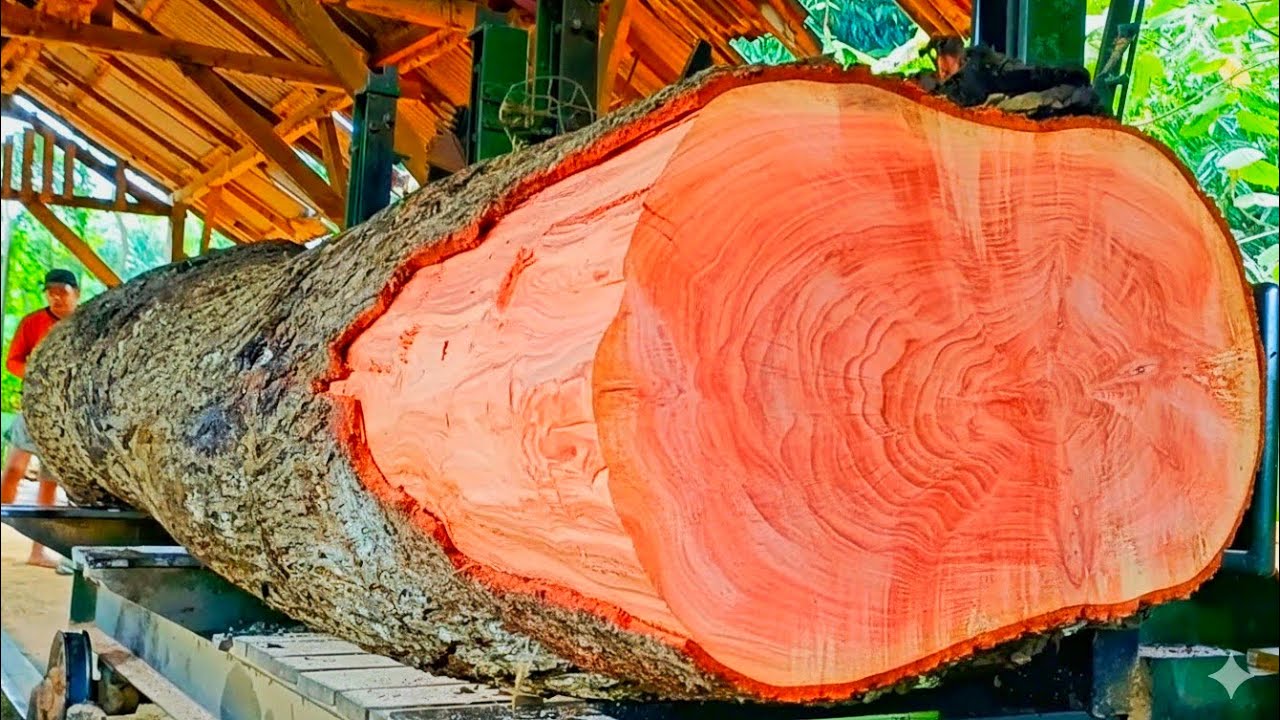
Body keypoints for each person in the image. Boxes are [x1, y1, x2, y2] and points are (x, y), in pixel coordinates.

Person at [2, 268, 80, 567]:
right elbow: (12, 361)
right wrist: (37, 373)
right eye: (51, 292)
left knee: (50, 480)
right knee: (13, 470)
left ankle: (39, 550)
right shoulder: (32, 322)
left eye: (62, 291)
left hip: (66, 412)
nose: (56, 297)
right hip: (35, 406)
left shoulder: (85, 323)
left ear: (76, 293)